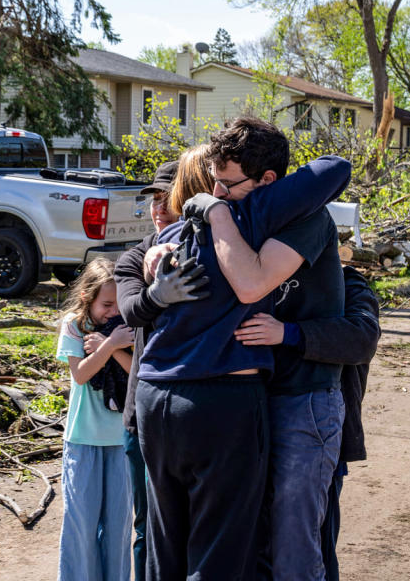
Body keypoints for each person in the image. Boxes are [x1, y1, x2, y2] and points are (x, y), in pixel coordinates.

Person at [136, 144, 351, 580]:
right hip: (220, 400)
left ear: (268, 184)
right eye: (211, 182)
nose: (217, 190)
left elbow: (335, 170)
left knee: (180, 547)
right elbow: (128, 295)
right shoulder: (191, 232)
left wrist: (290, 333)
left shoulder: (247, 218)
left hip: (188, 394)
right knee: (219, 550)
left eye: (226, 183)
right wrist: (153, 272)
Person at [235, 265, 381, 580]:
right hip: (258, 430)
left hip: (317, 435)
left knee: (311, 548)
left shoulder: (346, 281)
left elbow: (363, 337)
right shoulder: (259, 276)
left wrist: (289, 333)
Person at [114, 155, 208, 581]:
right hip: (144, 413)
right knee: (147, 527)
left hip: (203, 409)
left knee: (195, 529)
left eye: (166, 200)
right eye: (152, 200)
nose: (157, 209)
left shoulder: (211, 248)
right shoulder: (133, 258)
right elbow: (131, 310)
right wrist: (160, 293)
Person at [55, 257, 135, 581]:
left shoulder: (127, 328)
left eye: (118, 304)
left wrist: (113, 346)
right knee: (81, 528)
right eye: (106, 304)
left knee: (118, 530)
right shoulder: (74, 325)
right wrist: (112, 345)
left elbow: (138, 375)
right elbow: (81, 374)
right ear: (88, 298)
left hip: (120, 442)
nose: (112, 312)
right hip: (83, 441)